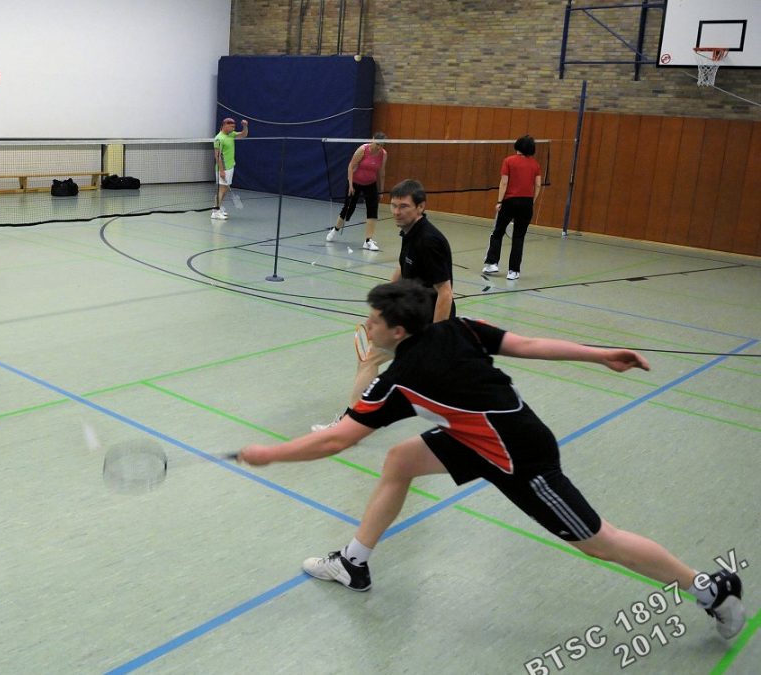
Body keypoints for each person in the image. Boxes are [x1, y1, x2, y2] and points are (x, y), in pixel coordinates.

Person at [238, 280, 746, 641]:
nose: (366, 327)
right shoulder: (460, 328)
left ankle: (708, 588)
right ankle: (354, 563)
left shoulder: (399, 378)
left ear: (396, 331)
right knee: (399, 460)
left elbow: (336, 441)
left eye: (373, 322)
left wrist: (270, 454)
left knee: (599, 541)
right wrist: (600, 353)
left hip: (520, 459)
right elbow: (526, 344)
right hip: (478, 437)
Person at [312, 179, 454, 431]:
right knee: (374, 361)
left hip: (422, 321)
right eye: (394, 205)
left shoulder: (428, 241)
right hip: (408, 314)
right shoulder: (409, 232)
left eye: (404, 206)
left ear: (421, 207)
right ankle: (359, 416)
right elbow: (402, 267)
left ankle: (352, 422)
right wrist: (385, 305)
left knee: (374, 361)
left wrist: (436, 334)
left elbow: (444, 292)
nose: (397, 212)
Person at [483, 135, 542, 281]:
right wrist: (531, 201)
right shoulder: (535, 164)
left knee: (498, 233)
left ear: (518, 146)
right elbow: (538, 185)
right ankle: (513, 271)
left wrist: (499, 201)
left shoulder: (508, 161)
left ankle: (492, 263)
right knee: (519, 237)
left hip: (509, 202)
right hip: (527, 203)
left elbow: (504, 182)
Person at [325, 132, 388, 251]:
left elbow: (382, 172)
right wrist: (350, 185)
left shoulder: (383, 154)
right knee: (348, 209)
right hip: (355, 182)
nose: (379, 147)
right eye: (378, 144)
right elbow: (350, 166)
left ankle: (368, 241)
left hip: (371, 184)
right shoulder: (363, 150)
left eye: (382, 145)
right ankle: (335, 230)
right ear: (373, 140)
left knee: (373, 210)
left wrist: (381, 190)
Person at [211, 117, 249, 220]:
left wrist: (245, 126)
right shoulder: (219, 138)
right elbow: (217, 156)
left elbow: (243, 135)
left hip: (230, 167)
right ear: (224, 125)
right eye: (231, 126)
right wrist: (222, 170)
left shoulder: (230, 135)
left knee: (224, 189)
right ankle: (215, 212)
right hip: (223, 168)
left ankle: (218, 208)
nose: (233, 128)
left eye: (234, 127)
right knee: (221, 190)